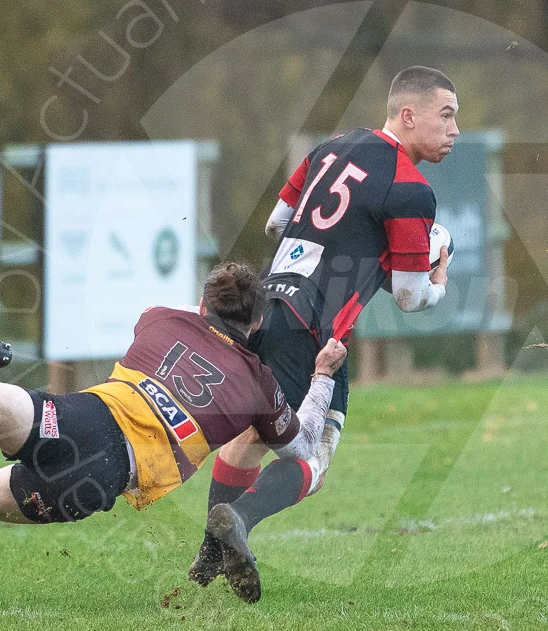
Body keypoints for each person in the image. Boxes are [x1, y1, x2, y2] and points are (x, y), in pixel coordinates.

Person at [0, 263, 347, 574]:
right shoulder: (257, 382)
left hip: (77, 416)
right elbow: (299, 450)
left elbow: (180, 335)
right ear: (255, 324)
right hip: (99, 474)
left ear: (202, 305)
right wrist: (320, 374)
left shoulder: (160, 317)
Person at [187, 66, 458, 602]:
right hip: (315, 329)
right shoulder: (410, 189)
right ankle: (235, 522)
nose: (455, 131)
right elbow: (410, 298)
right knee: (312, 456)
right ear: (409, 115)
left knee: (254, 435)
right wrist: (440, 268)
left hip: (266, 305)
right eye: (446, 115)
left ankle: (210, 557)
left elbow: (276, 222)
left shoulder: (332, 147)